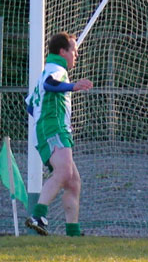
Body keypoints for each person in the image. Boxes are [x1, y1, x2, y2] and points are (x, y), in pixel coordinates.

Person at [25, 32, 93, 236]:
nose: (76, 55)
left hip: (52, 127)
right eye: (74, 50)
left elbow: (30, 104)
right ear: (62, 52)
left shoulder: (50, 69)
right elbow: (50, 84)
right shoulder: (55, 70)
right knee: (63, 173)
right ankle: (38, 215)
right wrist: (73, 86)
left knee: (73, 181)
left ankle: (73, 232)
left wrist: (41, 116)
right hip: (53, 127)